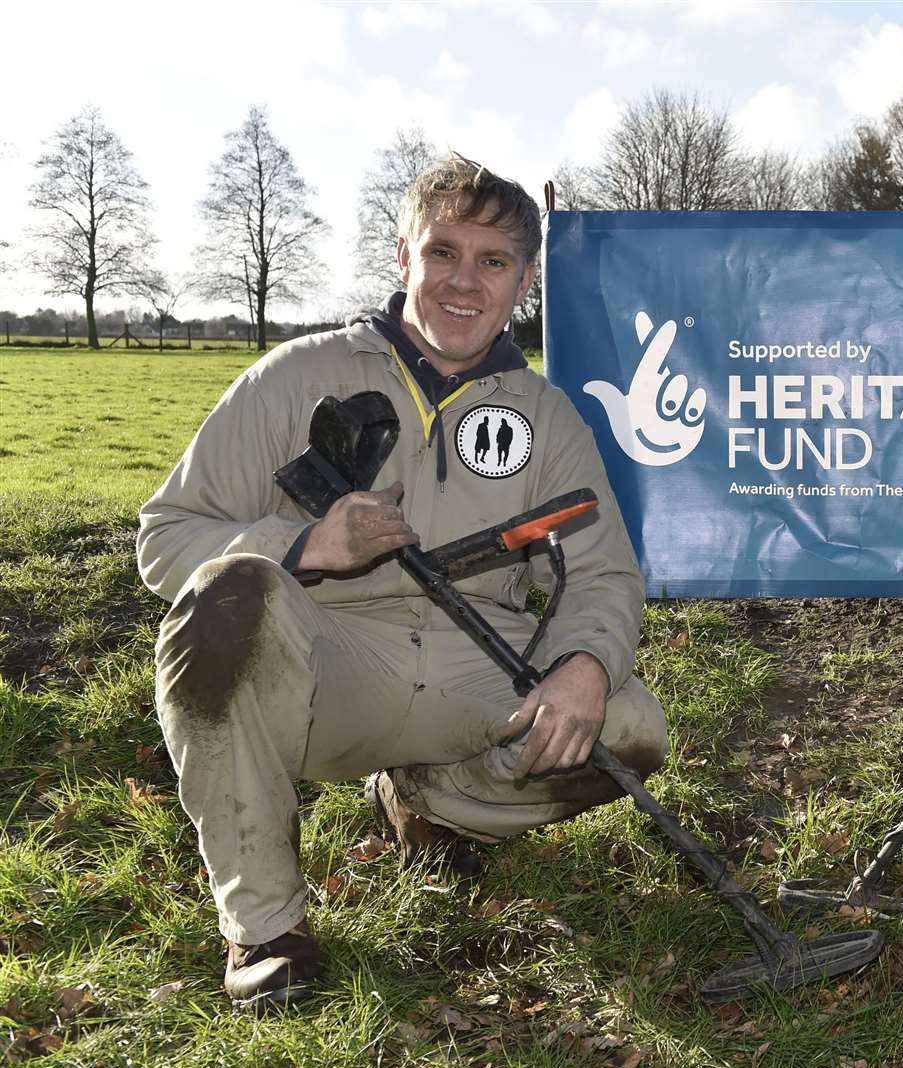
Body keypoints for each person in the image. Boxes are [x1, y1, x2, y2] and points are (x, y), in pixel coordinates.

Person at [137, 155, 667, 1009]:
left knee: (630, 729)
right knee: (232, 594)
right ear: (403, 256)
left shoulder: (545, 414)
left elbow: (601, 571)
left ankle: (433, 805)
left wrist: (583, 666)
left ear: (524, 280)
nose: (464, 282)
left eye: (492, 262)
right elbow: (166, 540)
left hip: (470, 665)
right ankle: (266, 927)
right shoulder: (293, 377)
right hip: (319, 675)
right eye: (443, 252)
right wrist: (302, 543)